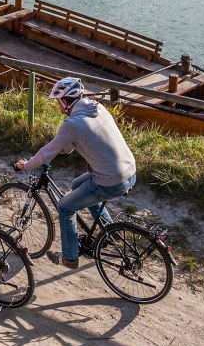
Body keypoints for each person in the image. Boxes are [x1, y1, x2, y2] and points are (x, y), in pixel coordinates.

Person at [15, 77, 136, 269]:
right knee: (76, 185)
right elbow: (72, 146)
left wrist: (27, 165)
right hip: (129, 170)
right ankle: (109, 232)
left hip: (110, 180)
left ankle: (69, 258)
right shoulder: (98, 108)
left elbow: (47, 153)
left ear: (64, 101)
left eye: (57, 101)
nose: (57, 105)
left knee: (65, 207)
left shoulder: (72, 124)